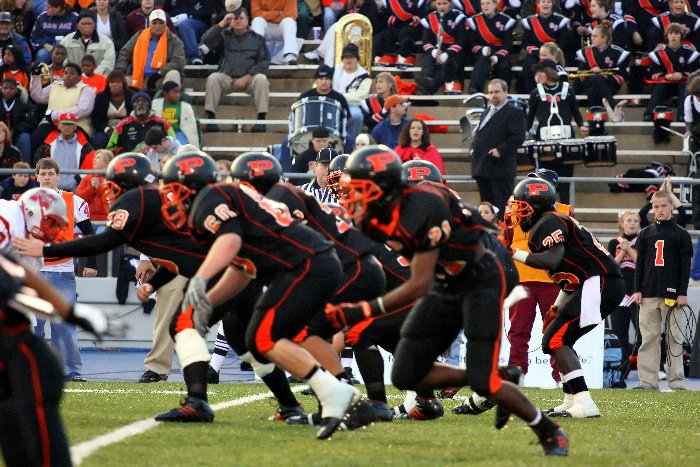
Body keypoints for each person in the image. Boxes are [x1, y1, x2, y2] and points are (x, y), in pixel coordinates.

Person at [336, 146, 568, 455]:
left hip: (480, 280)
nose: (353, 195)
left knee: (485, 385)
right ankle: (497, 375)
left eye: (360, 187)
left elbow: (418, 281)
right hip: (444, 281)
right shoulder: (377, 216)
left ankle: (549, 431)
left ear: (384, 186)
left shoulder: (423, 205)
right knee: (405, 374)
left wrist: (365, 309)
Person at [159, 151, 361, 438]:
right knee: (258, 338)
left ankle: (336, 394)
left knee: (267, 337)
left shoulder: (211, 199)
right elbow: (243, 268)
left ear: (188, 186)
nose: (169, 196)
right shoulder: (234, 200)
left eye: (172, 188)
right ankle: (335, 395)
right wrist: (211, 300)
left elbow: (231, 242)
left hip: (307, 266)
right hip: (309, 264)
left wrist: (201, 280)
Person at [0, 189, 121, 467]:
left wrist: (70, 313)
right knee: (40, 373)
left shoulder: (29, 248)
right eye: (51, 223)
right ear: (33, 212)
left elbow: (22, 280)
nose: (54, 232)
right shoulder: (7, 218)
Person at [509, 177, 625, 417]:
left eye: (521, 207)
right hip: (593, 283)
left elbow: (551, 260)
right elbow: (569, 277)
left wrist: (512, 252)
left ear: (535, 206)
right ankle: (572, 400)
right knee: (558, 339)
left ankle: (585, 403)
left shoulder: (549, 221)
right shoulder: (550, 222)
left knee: (555, 340)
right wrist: (557, 306)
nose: (517, 213)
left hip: (601, 282)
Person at [33, 157, 98, 382]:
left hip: (62, 269)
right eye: (43, 174)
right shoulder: (25, 201)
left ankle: (71, 372)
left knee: (65, 325)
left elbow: (89, 234)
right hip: (34, 271)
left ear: (58, 176)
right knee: (33, 326)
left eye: (51, 174)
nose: (47, 178)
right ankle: (32, 371)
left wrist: (91, 262)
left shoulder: (74, 201)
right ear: (36, 177)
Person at [632, 189, 693, 391]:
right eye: (656, 206)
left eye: (663, 206)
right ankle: (647, 381)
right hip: (648, 293)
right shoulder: (645, 233)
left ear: (671, 206)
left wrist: (682, 292)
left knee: (674, 338)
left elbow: (685, 266)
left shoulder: (681, 234)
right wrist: (637, 289)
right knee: (648, 339)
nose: (659, 210)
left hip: (672, 295)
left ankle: (676, 381)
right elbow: (640, 264)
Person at [200, 6, 270, 134]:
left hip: (249, 79)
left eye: (241, 18)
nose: (238, 21)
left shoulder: (257, 38)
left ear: (247, 20)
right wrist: (222, 23)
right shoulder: (223, 35)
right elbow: (205, 40)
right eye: (234, 18)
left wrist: (248, 76)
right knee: (213, 78)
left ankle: (261, 121)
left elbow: (264, 61)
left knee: (261, 79)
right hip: (227, 78)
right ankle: (210, 119)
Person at [526, 59, 588, 204]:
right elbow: (530, 117)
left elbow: (575, 111)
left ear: (548, 72)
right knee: (545, 180)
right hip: (544, 141)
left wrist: (581, 125)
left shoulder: (568, 90)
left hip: (566, 140)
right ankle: (547, 209)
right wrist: (525, 130)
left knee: (565, 178)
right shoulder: (536, 93)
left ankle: (566, 209)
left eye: (540, 72)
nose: (538, 75)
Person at [470, 78, 526, 216]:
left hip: (500, 169)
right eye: (491, 92)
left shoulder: (514, 112)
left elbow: (518, 137)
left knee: (502, 208)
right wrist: (473, 148)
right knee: (486, 208)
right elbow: (479, 133)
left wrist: (500, 150)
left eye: (497, 92)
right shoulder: (486, 111)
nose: (493, 95)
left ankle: (502, 230)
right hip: (482, 167)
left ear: (505, 92)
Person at [29, 61, 96, 155]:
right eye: (66, 73)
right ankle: (38, 164)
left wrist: (54, 115)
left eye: (72, 73)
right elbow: (38, 97)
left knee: (74, 146)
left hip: (76, 125)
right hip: (51, 123)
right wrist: (36, 76)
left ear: (79, 77)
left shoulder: (86, 90)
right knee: (37, 137)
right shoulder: (55, 85)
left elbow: (82, 110)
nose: (68, 75)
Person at [606, 210, 641, 386]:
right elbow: (611, 266)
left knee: (642, 333)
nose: (632, 223)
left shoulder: (642, 241)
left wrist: (630, 249)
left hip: (637, 292)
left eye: (635, 220)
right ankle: (623, 369)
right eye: (629, 220)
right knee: (620, 334)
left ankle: (647, 369)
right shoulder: (614, 242)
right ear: (622, 223)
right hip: (619, 293)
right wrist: (621, 251)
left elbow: (642, 264)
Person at [116, 9, 184, 92]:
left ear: (166, 24)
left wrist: (158, 74)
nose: (158, 26)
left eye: (161, 23)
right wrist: (120, 70)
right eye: (154, 23)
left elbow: (177, 62)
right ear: (149, 24)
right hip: (138, 79)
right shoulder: (139, 36)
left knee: (174, 74)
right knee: (117, 81)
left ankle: (168, 100)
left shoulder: (174, 40)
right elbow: (125, 53)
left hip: (161, 79)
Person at [573, 20, 629, 122]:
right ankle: (614, 108)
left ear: (604, 38)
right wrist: (592, 72)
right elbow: (580, 75)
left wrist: (603, 74)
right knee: (596, 79)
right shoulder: (586, 52)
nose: (592, 38)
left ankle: (595, 113)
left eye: (595, 36)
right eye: (592, 35)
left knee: (598, 79)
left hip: (610, 85)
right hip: (590, 85)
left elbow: (622, 77)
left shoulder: (617, 52)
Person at [642, 23, 699, 122]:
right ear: (666, 36)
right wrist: (665, 76)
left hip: (683, 83)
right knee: (659, 88)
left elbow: (694, 72)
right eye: (671, 33)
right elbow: (653, 74)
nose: (673, 36)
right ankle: (649, 113)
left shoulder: (690, 52)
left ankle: (682, 116)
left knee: (684, 87)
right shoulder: (658, 53)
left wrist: (682, 75)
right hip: (666, 83)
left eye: (676, 33)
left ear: (681, 36)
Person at [517, 0, 572, 94]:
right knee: (528, 64)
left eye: (548, 2)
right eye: (543, 2)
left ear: (552, 4)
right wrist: (538, 53)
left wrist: (551, 52)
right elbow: (526, 42)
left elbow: (564, 41)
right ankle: (531, 94)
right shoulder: (530, 21)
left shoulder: (560, 20)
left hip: (553, 54)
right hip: (536, 54)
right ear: (538, 4)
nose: (546, 4)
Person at [33, 112, 96, 192]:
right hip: (51, 189)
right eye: (64, 124)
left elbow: (90, 166)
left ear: (75, 127)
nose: (67, 127)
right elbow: (38, 161)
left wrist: (77, 179)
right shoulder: (48, 144)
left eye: (70, 125)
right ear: (59, 126)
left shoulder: (84, 146)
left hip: (75, 189)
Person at [416, 0, 466, 95]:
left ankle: (431, 84)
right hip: (437, 49)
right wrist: (433, 51)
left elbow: (461, 41)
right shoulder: (430, 17)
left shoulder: (458, 16)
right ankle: (426, 79)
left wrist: (446, 54)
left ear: (450, 4)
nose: (442, 7)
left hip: (454, 51)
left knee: (450, 65)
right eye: (439, 4)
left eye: (444, 4)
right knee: (428, 59)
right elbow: (425, 41)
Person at [465, 0, 515, 94]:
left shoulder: (506, 20)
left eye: (488, 3)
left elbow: (507, 44)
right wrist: (481, 49)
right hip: (480, 52)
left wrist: (497, 56)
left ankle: (503, 91)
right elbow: (471, 43)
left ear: (495, 4)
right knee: (482, 60)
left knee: (504, 66)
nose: (485, 6)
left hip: (499, 51)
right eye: (483, 4)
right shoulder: (474, 20)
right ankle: (475, 90)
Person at [107, 91, 175, 154]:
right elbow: (111, 149)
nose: (140, 103)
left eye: (144, 101)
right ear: (133, 106)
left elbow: (174, 143)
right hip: (131, 160)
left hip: (158, 159)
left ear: (149, 105)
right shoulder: (122, 125)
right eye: (137, 101)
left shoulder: (162, 123)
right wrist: (127, 152)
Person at [332, 43, 371, 143]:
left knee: (357, 116)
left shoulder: (364, 76)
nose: (348, 60)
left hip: (352, 106)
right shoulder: (334, 70)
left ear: (357, 59)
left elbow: (361, 96)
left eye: (351, 57)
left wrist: (339, 96)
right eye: (346, 57)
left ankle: (352, 143)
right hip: (333, 103)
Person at [60, 9, 116, 76]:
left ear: (95, 25)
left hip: (96, 79)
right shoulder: (66, 41)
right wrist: (73, 76)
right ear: (77, 25)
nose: (86, 26)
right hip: (71, 79)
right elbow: (62, 61)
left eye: (89, 24)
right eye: (83, 24)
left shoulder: (106, 42)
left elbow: (108, 64)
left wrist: (91, 77)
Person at [372, 0, 423, 68]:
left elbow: (421, 15)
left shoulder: (419, 1)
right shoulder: (387, 1)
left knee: (407, 36)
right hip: (394, 26)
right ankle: (378, 57)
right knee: (380, 37)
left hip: (412, 26)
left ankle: (403, 57)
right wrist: (398, 20)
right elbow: (386, 16)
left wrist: (407, 20)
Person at [166, 0, 220, 65]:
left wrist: (188, 15)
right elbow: (168, 10)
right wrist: (171, 19)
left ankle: (194, 56)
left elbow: (208, 11)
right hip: (177, 23)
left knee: (185, 25)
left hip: (200, 23)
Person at [92, 69, 134, 149]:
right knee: (98, 140)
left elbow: (134, 117)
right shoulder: (101, 97)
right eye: (112, 82)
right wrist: (106, 129)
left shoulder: (131, 96)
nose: (115, 85)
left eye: (118, 82)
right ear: (108, 84)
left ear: (123, 83)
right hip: (106, 128)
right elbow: (96, 119)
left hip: (127, 128)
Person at [250, 0, 300, 65]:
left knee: (289, 21)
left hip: (281, 28)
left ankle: (290, 56)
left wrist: (269, 16)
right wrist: (277, 13)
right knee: (257, 20)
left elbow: (291, 14)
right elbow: (255, 14)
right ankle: (256, 55)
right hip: (266, 28)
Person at [152, 80, 199, 146]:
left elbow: (190, 126)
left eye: (179, 92)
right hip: (161, 133)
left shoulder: (186, 106)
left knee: (181, 147)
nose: (178, 95)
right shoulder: (155, 104)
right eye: (174, 92)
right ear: (165, 94)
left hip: (178, 132)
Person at [30, 0, 78, 65]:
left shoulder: (74, 17)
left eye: (49, 7)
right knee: (42, 54)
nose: (46, 9)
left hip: (67, 49)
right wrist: (45, 45)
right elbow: (34, 38)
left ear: (58, 8)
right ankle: (40, 71)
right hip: (47, 49)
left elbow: (76, 38)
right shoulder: (42, 17)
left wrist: (63, 49)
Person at [0, 77, 35, 162]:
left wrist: (15, 130)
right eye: (5, 88)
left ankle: (25, 165)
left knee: (25, 137)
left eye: (11, 88)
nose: (8, 91)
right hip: (0, 132)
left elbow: (30, 121)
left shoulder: (24, 102)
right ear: (1, 88)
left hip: (16, 134)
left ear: (16, 90)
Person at [75, 148, 113, 223]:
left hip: (106, 220)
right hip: (87, 219)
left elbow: (111, 201)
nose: (94, 160)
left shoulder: (112, 179)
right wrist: (91, 188)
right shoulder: (87, 178)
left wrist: (99, 188)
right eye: (94, 158)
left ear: (107, 163)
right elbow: (79, 199)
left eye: (98, 158)